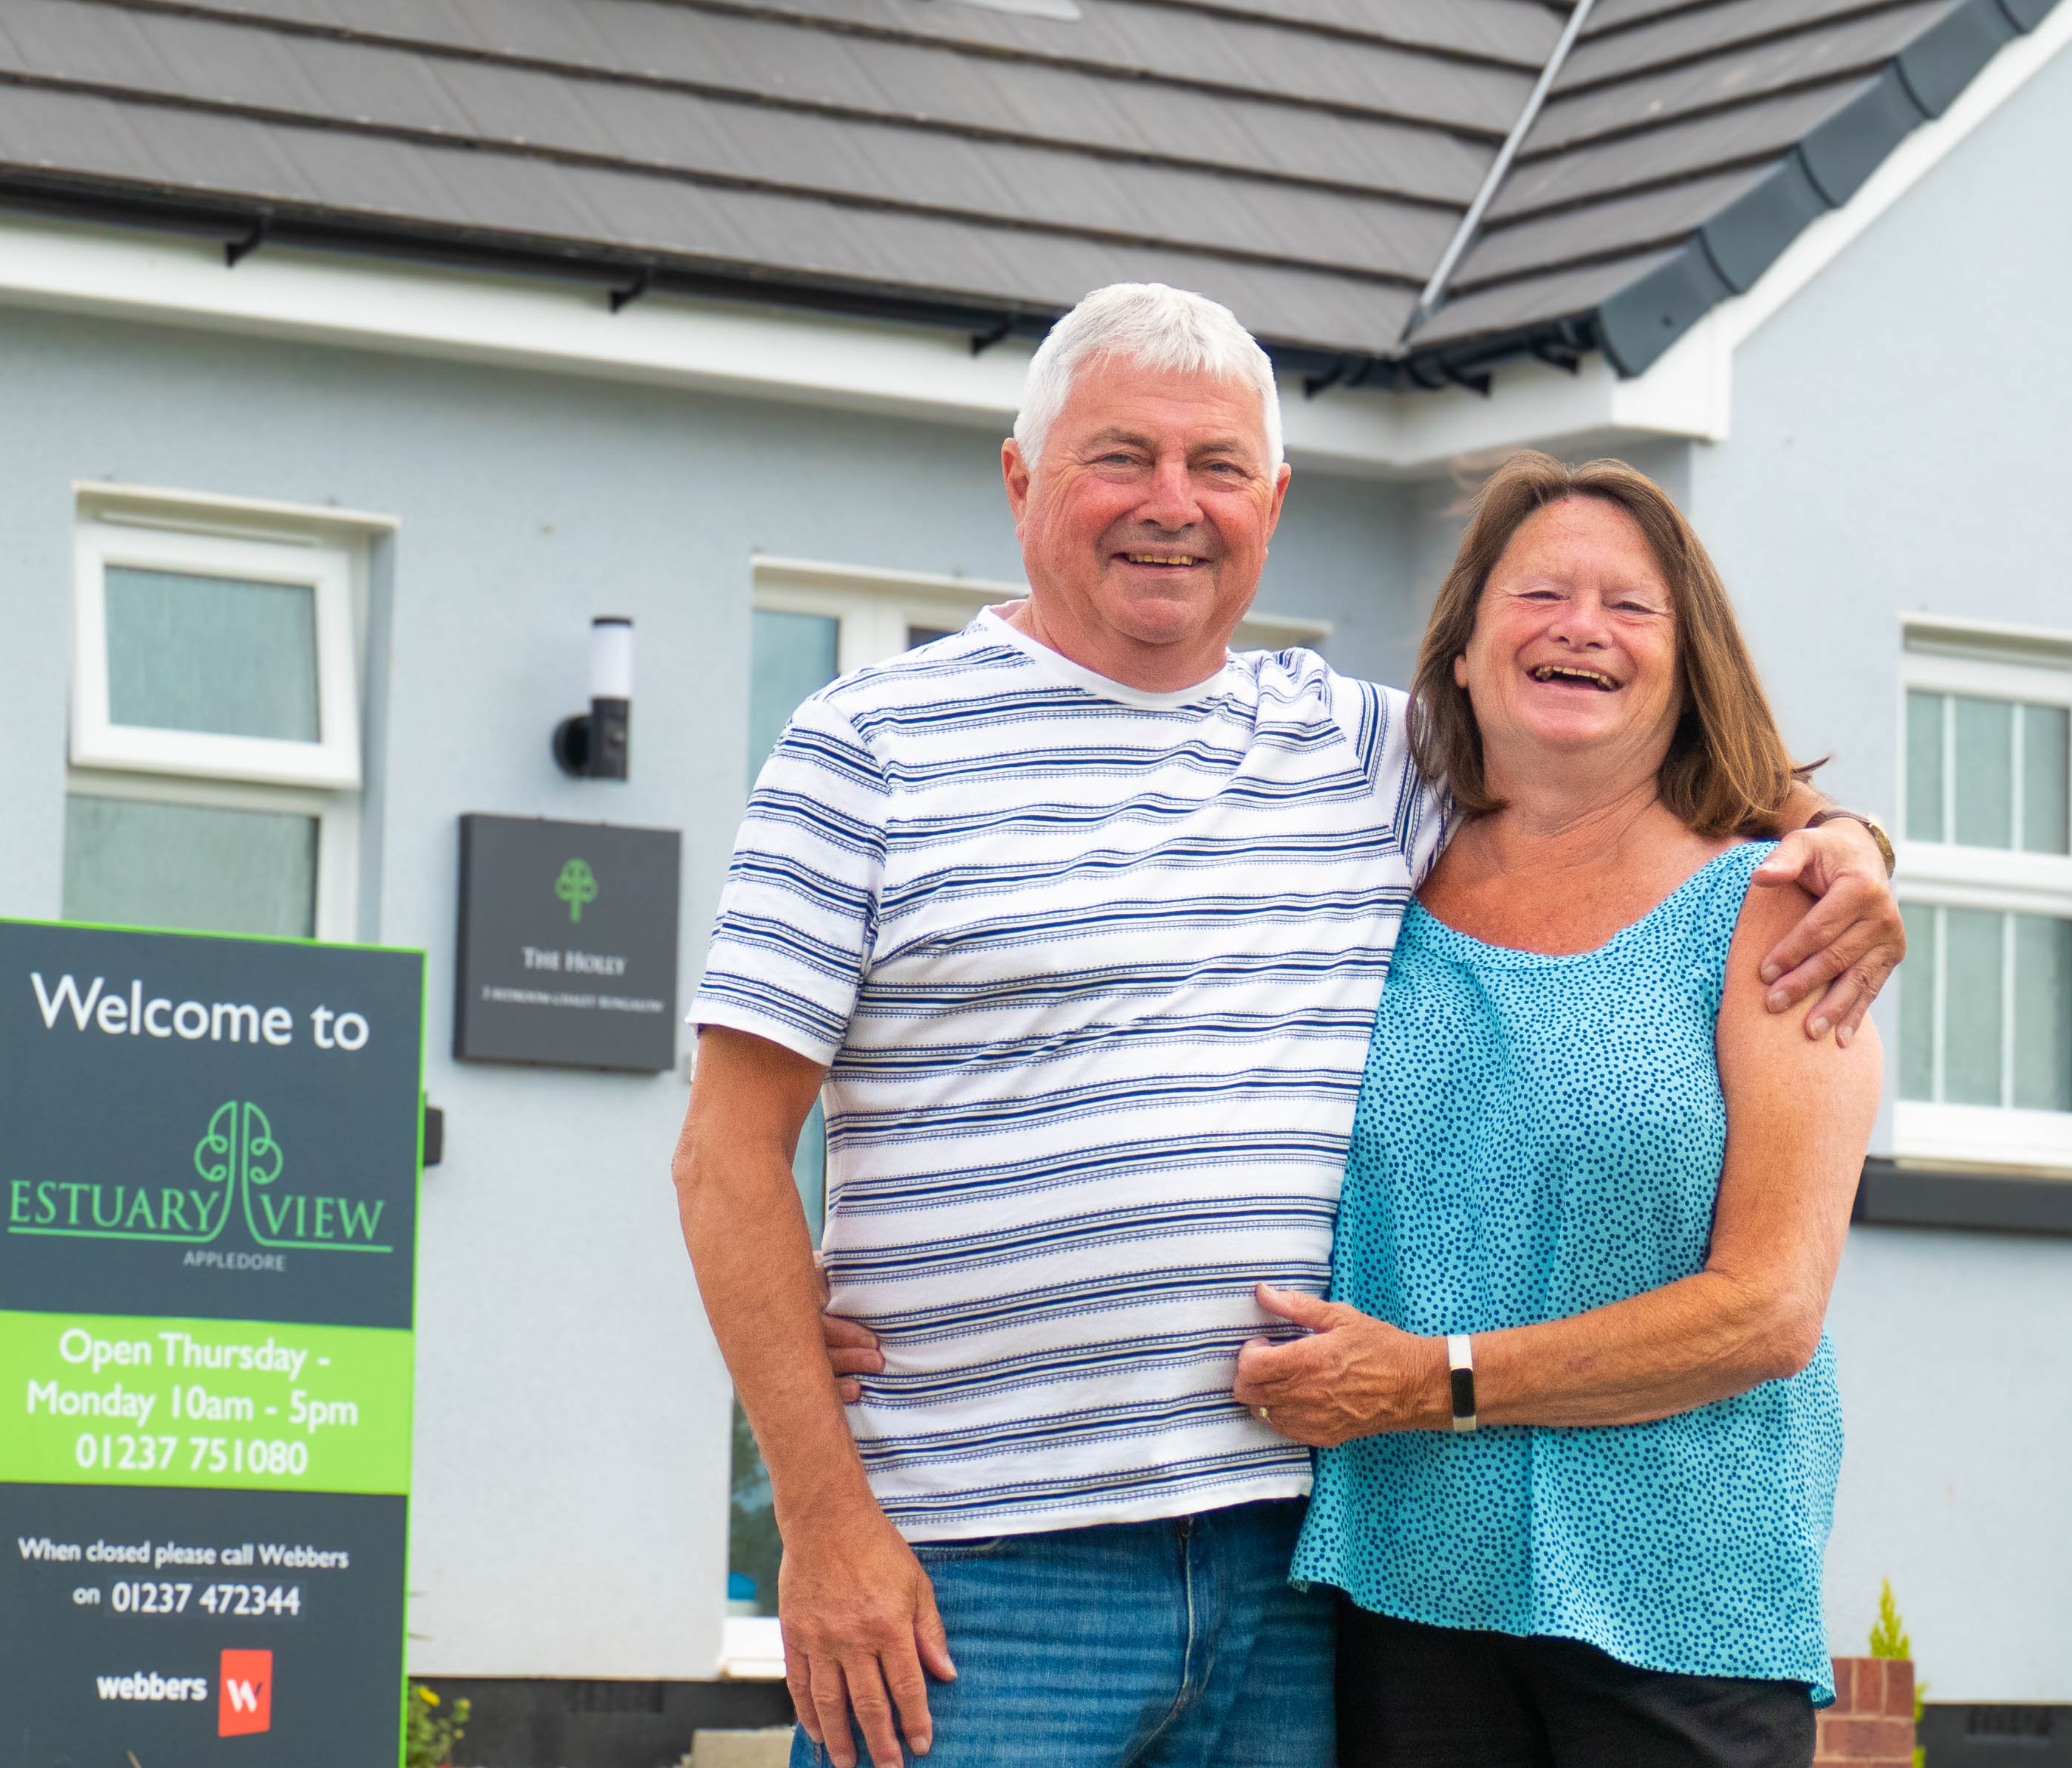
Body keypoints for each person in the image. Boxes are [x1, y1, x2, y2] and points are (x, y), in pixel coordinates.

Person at [671, 283, 1901, 1768]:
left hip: (1294, 1564)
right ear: (1021, 480)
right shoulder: (864, 750)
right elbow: (726, 1156)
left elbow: (1621, 764)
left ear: (1275, 500)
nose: (1170, 507)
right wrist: (823, 1522)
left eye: (1217, 468)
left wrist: (1848, 840)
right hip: (983, 1571)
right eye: (1120, 457)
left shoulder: (1363, 750)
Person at [1231, 454, 1881, 1768]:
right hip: (1402, 1592)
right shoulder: (1368, 889)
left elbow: (1766, 1310)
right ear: (1461, 654)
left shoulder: (1776, 912)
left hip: (1679, 1607)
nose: (1579, 626)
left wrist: (1432, 1380)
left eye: (1629, 607)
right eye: (1537, 592)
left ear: (1686, 664)